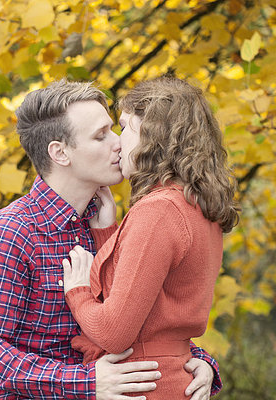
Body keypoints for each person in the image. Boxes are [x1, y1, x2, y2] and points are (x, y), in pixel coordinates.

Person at [0, 79, 222, 399]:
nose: (118, 143)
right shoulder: (9, 234)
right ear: (60, 153)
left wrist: (199, 362)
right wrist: (86, 382)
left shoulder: (103, 226)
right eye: (101, 136)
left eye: (116, 129)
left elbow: (144, 321)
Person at [62, 77, 239, 399]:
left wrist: (77, 291)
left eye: (126, 127)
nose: (118, 142)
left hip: (141, 384)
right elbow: (154, 301)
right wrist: (106, 233)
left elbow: (113, 333)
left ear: (154, 136)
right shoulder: (194, 204)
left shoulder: (158, 211)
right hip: (169, 377)